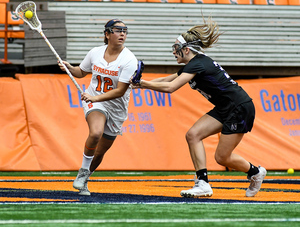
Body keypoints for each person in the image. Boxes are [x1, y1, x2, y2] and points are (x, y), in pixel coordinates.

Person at [130, 17, 266, 198]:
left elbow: (171, 88)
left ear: (186, 50)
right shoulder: (194, 63)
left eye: (176, 49)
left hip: (238, 107)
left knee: (222, 157)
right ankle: (202, 183)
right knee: (193, 135)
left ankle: (255, 172)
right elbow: (166, 80)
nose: (174, 52)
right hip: (226, 106)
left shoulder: (197, 64)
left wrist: (144, 84)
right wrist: (138, 84)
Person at [58, 19, 137, 195]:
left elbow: (120, 91)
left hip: (116, 107)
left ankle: (85, 178)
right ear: (107, 34)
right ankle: (83, 172)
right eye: (117, 30)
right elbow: (81, 72)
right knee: (95, 133)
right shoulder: (95, 52)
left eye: (125, 30)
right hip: (96, 102)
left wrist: (95, 96)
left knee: (100, 151)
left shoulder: (130, 60)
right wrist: (70, 67)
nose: (122, 34)